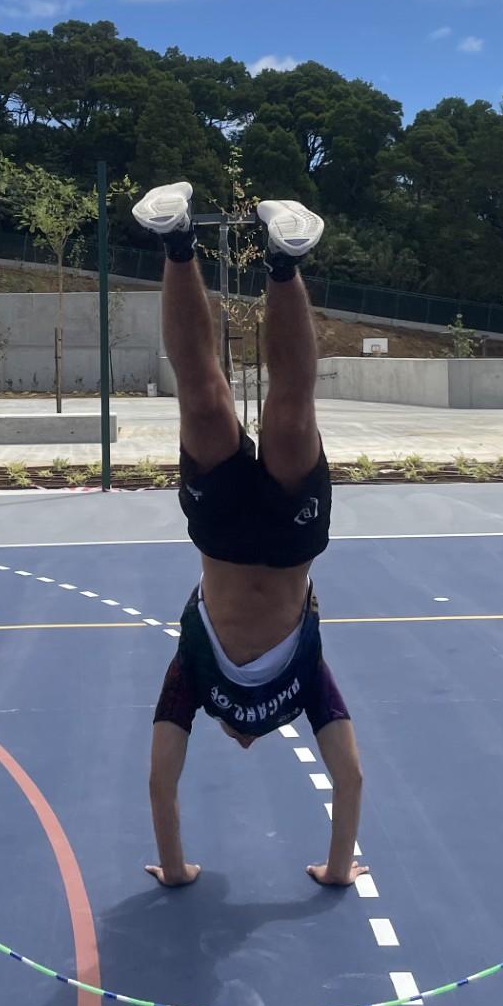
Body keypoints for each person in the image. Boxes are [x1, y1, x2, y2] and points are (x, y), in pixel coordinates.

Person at [132, 181, 367, 890]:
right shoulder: (303, 687)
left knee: (203, 399)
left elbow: (158, 783)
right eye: (245, 739)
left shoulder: (194, 680)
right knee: (291, 412)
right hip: (292, 546)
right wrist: (334, 868)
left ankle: (177, 243)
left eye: (232, 737)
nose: (239, 741)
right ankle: (284, 261)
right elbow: (350, 778)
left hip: (224, 538)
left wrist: (176, 869)